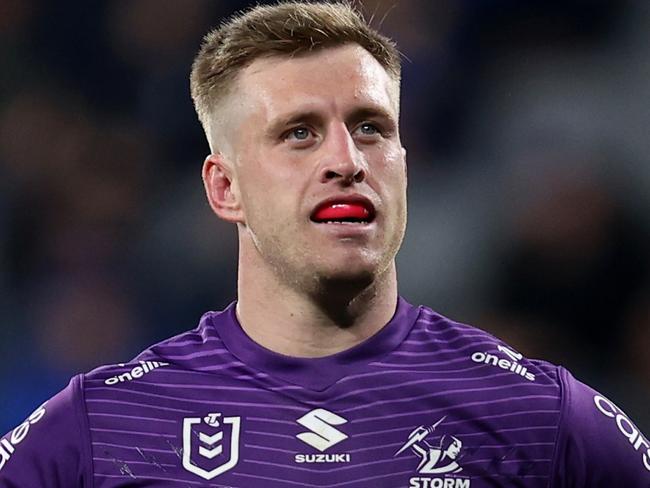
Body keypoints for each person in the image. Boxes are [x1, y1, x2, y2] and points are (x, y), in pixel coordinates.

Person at [1, 2, 648, 487]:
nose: (347, 160)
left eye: (370, 128)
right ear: (225, 188)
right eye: (300, 133)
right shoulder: (105, 425)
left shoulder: (540, 414)